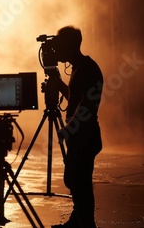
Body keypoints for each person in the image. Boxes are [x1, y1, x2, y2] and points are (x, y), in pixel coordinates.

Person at [52, 26, 103, 228]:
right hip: (79, 135)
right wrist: (59, 86)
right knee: (74, 180)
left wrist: (69, 127)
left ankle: (87, 225)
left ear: (71, 45)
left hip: (85, 136)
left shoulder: (89, 68)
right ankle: (77, 221)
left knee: (80, 183)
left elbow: (87, 106)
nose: (56, 51)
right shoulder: (78, 67)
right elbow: (74, 100)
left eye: (59, 46)